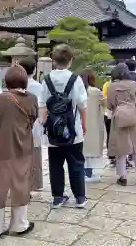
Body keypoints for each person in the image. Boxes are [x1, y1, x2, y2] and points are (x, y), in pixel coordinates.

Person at [0, 66, 37, 238]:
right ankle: (20, 224)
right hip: (24, 148)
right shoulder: (32, 98)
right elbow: (33, 120)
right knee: (21, 183)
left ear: (6, 82)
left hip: (1, 148)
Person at [39, 44, 88, 209]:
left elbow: (42, 106)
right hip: (73, 129)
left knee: (55, 163)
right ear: (71, 60)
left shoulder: (46, 80)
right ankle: (80, 197)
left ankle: (58, 197)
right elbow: (82, 105)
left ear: (53, 60)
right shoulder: (76, 79)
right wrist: (85, 124)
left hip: (53, 129)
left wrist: (45, 125)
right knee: (76, 163)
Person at [106, 63, 136, 186]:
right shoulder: (133, 84)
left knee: (121, 148)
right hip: (134, 117)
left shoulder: (112, 87)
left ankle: (122, 177)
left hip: (119, 118)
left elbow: (109, 105)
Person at [18, 57, 44, 193]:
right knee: (35, 155)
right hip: (35, 125)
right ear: (34, 71)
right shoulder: (39, 87)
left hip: (18, 126)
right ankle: (34, 183)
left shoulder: (15, 86)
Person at [81, 68, 105, 183]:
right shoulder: (96, 92)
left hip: (80, 123)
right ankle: (88, 173)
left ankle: (83, 172)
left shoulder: (79, 90)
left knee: (82, 149)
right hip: (93, 124)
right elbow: (106, 103)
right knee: (90, 150)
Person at [102, 77, 116, 167]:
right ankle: (115, 156)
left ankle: (111, 156)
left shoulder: (106, 85)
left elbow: (103, 98)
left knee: (109, 135)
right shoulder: (116, 86)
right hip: (113, 114)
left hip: (106, 113)